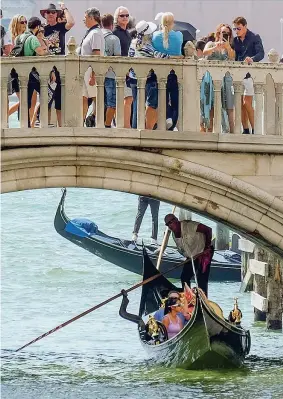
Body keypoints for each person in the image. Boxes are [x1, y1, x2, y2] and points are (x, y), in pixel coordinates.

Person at [129, 20, 168, 129]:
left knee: (136, 103)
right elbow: (161, 56)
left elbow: (129, 57)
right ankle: (139, 128)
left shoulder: (132, 44)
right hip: (146, 78)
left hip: (133, 78)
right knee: (144, 104)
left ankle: (135, 127)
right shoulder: (148, 46)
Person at [164, 214, 213, 296]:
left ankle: (203, 299)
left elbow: (208, 230)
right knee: (184, 277)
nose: (170, 225)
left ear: (176, 220)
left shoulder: (190, 226)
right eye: (167, 224)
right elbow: (184, 249)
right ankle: (188, 296)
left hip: (204, 253)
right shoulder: (174, 235)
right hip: (191, 257)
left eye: (171, 222)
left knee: (201, 280)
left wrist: (207, 246)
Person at [232, 16, 264, 135]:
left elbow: (261, 53)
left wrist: (252, 59)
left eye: (239, 28)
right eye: (235, 29)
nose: (237, 31)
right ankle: (245, 130)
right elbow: (235, 57)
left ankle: (255, 129)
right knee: (240, 104)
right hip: (238, 74)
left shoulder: (254, 37)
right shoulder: (235, 41)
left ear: (245, 26)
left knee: (247, 103)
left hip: (250, 75)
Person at [203, 23, 235, 134]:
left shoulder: (229, 47)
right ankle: (209, 130)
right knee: (210, 105)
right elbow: (204, 52)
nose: (225, 35)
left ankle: (231, 132)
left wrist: (228, 47)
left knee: (228, 105)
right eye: (223, 32)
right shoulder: (211, 43)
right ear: (219, 33)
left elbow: (232, 58)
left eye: (228, 33)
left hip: (225, 79)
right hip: (210, 79)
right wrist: (216, 47)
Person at [78, 7, 105, 124]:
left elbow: (96, 54)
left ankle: (99, 123)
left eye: (85, 18)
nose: (83, 20)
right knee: (83, 97)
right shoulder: (91, 32)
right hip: (85, 70)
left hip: (91, 71)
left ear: (91, 18)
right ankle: (81, 123)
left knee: (95, 98)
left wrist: (93, 75)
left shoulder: (96, 34)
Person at [113, 6, 132, 128]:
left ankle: (124, 123)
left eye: (127, 15)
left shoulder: (127, 33)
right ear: (117, 18)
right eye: (122, 16)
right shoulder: (115, 33)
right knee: (127, 98)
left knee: (127, 98)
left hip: (129, 70)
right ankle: (125, 125)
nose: (125, 18)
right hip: (120, 70)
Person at [101, 13, 121, 128]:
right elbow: (117, 57)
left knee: (99, 100)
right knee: (112, 102)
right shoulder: (114, 39)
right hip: (111, 75)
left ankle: (97, 122)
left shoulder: (96, 36)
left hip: (97, 74)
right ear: (112, 24)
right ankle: (107, 126)